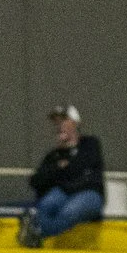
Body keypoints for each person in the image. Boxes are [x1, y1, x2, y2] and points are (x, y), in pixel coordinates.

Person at [22, 105, 105, 245]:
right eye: (57, 122)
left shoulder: (90, 144)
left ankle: (37, 232)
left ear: (75, 123)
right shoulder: (54, 155)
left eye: (64, 121)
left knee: (68, 212)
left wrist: (64, 166)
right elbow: (36, 181)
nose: (60, 126)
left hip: (89, 192)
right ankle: (36, 231)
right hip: (65, 193)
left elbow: (82, 166)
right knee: (45, 206)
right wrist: (58, 165)